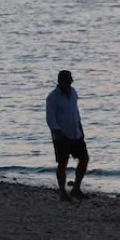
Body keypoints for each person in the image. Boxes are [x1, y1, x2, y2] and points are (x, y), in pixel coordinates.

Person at [45, 70, 89, 201]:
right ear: (60, 82)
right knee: (62, 164)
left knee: (84, 159)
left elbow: (76, 112)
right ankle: (62, 192)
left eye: (71, 81)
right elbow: (50, 119)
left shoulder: (73, 93)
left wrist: (80, 128)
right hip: (61, 136)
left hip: (76, 134)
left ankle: (76, 188)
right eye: (67, 82)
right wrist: (58, 133)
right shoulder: (52, 98)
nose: (70, 84)